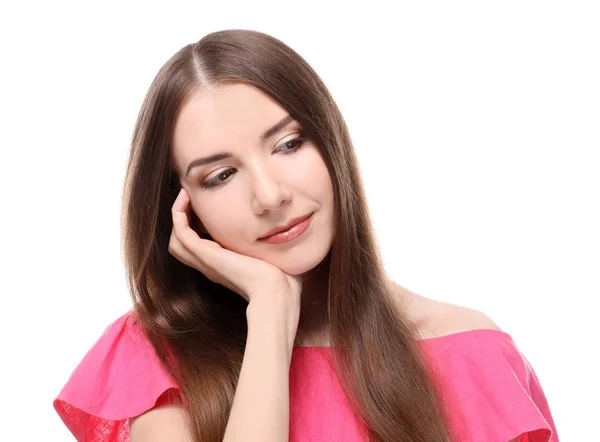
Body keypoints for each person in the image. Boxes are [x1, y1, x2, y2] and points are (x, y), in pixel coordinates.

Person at [53, 29, 559, 442]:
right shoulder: (156, 358)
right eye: (220, 176)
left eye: (290, 143)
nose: (270, 196)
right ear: (186, 209)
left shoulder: (473, 355)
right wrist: (270, 311)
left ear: (331, 140)